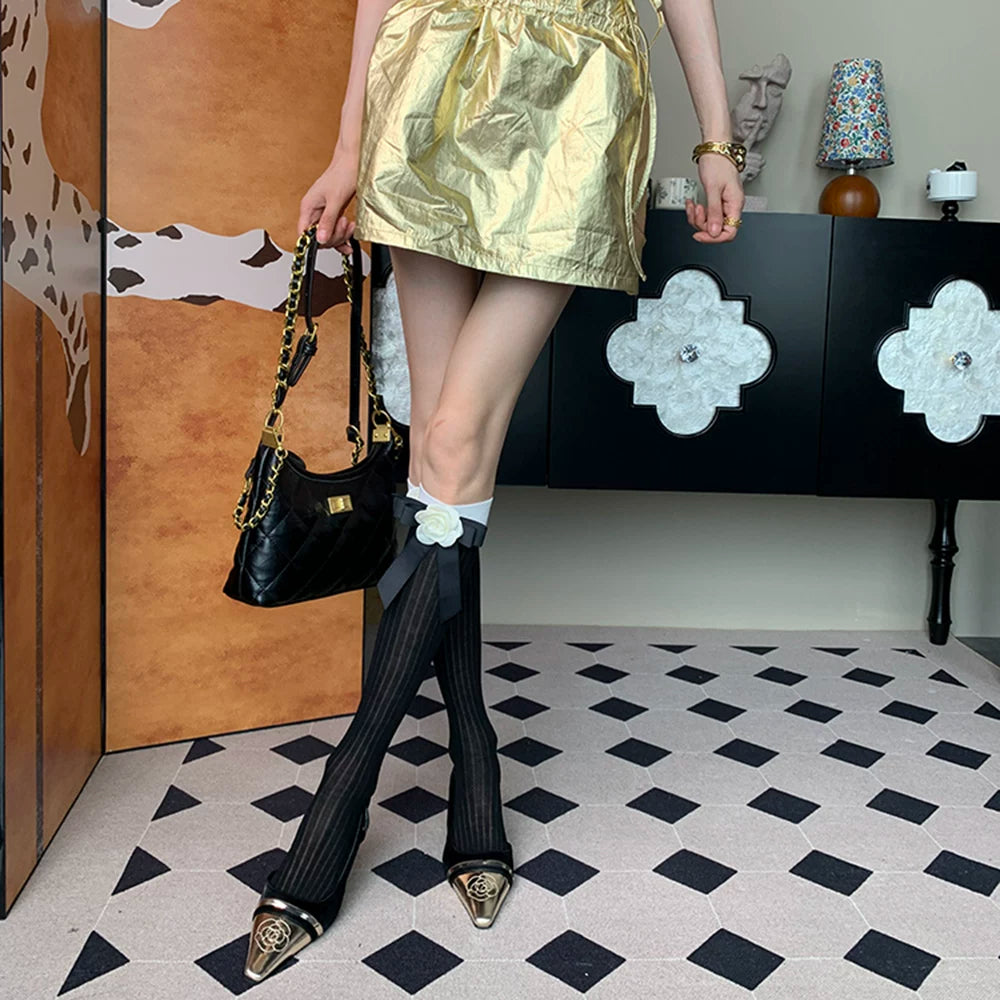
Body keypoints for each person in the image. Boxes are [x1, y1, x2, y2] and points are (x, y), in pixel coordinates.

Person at [244, 0, 743, 982]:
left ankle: (339, 800)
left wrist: (716, 136)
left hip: (573, 87)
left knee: (454, 441)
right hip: (429, 70)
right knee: (440, 462)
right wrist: (348, 145)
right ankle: (475, 764)